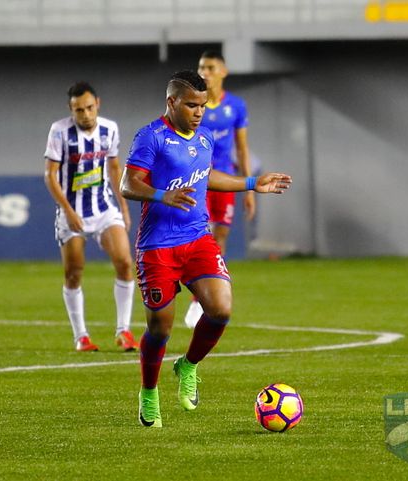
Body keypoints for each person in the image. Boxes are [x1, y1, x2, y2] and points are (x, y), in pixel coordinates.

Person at [121, 71, 291, 427]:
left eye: (202, 105)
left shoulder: (204, 136)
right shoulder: (150, 136)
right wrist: (162, 195)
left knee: (221, 309)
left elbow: (207, 175)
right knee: (160, 330)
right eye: (191, 105)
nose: (199, 112)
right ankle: (149, 392)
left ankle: (188, 365)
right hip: (157, 247)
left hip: (197, 238)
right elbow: (128, 184)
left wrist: (251, 183)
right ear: (171, 102)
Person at [43, 82, 138, 352]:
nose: (85, 114)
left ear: (98, 104)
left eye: (88, 108)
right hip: (72, 212)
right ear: (70, 109)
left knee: (125, 262)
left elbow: (114, 168)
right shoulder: (59, 132)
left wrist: (124, 207)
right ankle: (81, 336)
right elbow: (50, 175)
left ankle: (123, 331)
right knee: (74, 273)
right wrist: (68, 211)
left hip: (104, 208)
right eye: (78, 110)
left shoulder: (110, 129)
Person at [183, 51, 256, 328]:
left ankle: (201, 299)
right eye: (201, 67)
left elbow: (242, 149)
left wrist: (249, 189)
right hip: (197, 181)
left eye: (211, 67)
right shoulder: (193, 106)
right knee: (200, 237)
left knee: (219, 237)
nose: (205, 72)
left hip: (224, 181)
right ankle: (195, 293)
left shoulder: (236, 106)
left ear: (223, 71)